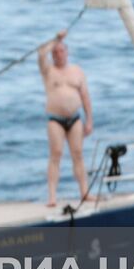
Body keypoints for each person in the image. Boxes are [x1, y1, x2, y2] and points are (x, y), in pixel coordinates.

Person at [37, 30, 92, 207]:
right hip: (55, 119)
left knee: (78, 155)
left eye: (62, 51)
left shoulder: (77, 71)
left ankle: (85, 193)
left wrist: (89, 119)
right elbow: (40, 53)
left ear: (67, 53)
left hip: (75, 118)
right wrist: (56, 40)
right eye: (55, 52)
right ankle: (52, 197)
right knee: (56, 154)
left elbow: (85, 96)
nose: (59, 55)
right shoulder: (48, 71)